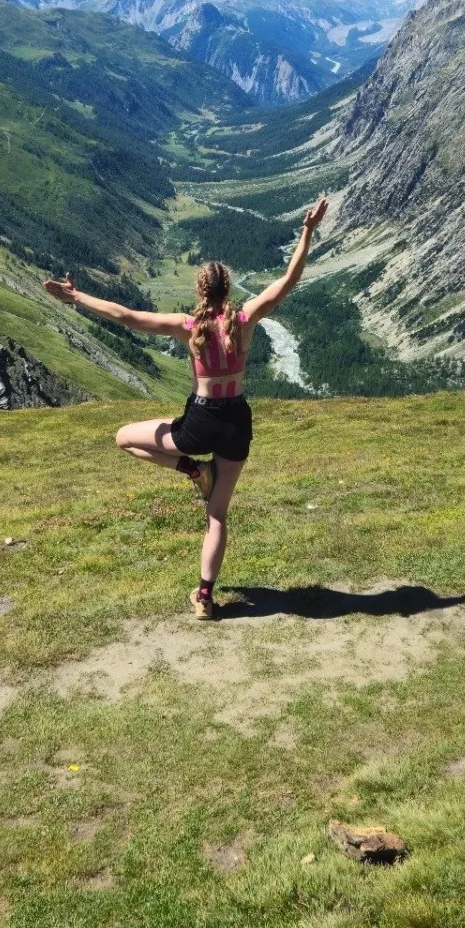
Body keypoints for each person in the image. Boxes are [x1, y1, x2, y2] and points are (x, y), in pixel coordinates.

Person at [43, 197, 329, 619]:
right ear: (228, 288)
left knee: (124, 437)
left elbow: (124, 316)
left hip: (199, 422)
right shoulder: (245, 319)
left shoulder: (187, 325)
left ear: (200, 290)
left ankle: (192, 470)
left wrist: (76, 296)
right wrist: (307, 230)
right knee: (217, 515)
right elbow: (289, 279)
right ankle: (204, 596)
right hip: (236, 422)